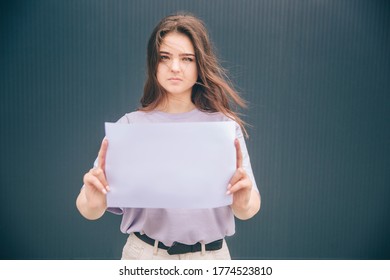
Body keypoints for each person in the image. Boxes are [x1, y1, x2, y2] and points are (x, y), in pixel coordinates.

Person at [76, 12, 261, 260]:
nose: (175, 67)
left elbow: (247, 210)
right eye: (165, 57)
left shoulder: (224, 127)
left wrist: (243, 200)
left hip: (211, 260)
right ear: (154, 63)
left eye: (186, 59)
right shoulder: (130, 127)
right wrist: (92, 196)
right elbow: (90, 210)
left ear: (200, 64)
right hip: (144, 256)